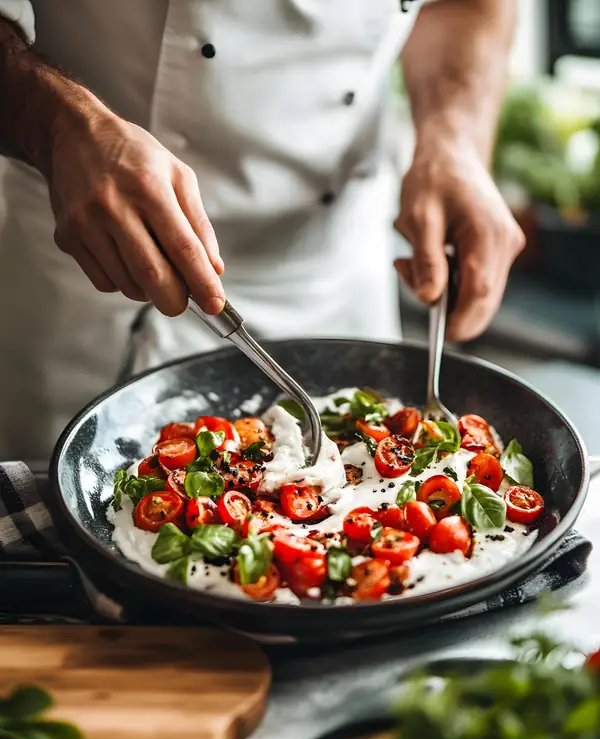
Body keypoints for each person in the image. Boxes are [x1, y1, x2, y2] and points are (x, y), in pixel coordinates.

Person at [0, 0, 524, 461]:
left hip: (336, 264)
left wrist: (454, 142)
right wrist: (61, 126)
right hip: (98, 255)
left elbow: (466, 5)